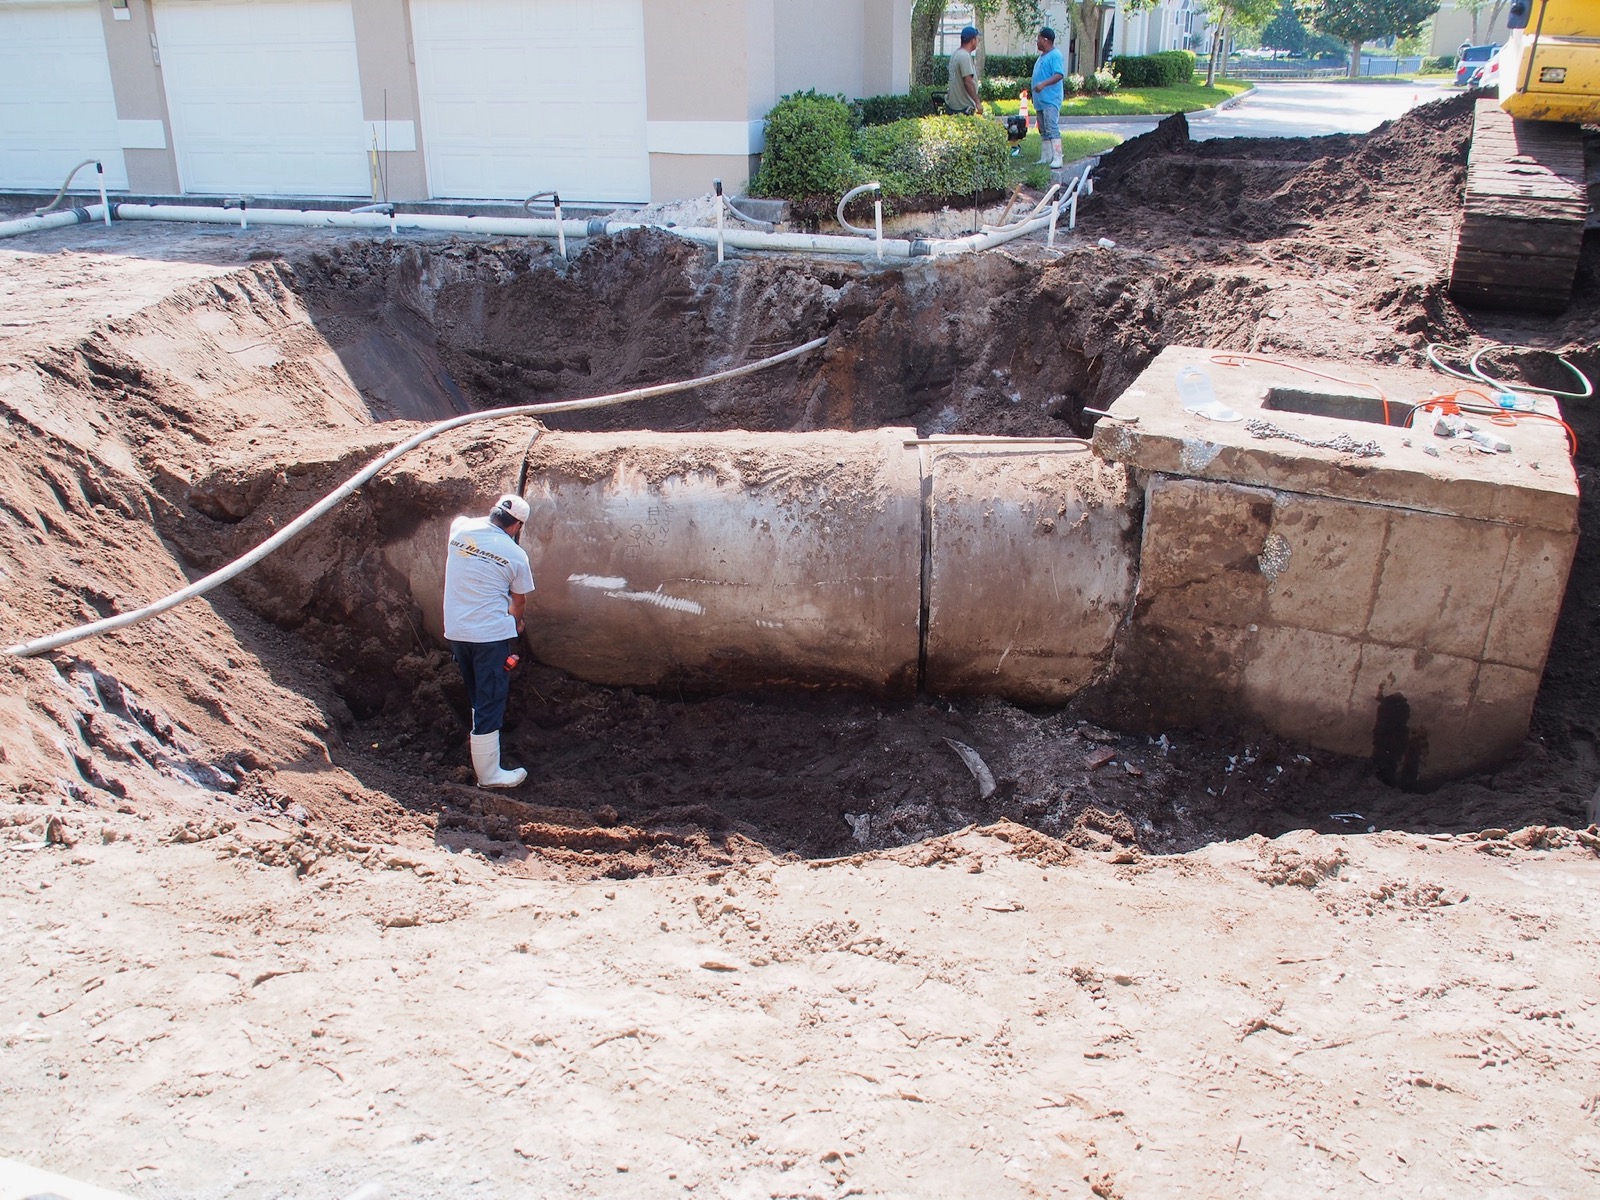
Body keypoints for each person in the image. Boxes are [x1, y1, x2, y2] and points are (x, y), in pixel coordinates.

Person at [443, 493, 535, 788]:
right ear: (516, 526)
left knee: (477, 695)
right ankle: (489, 775)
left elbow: (463, 524)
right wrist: (516, 623)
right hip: (489, 637)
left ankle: (481, 755)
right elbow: (517, 602)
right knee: (491, 697)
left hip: (457, 631)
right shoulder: (516, 555)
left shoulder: (460, 528)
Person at [1032, 27, 1066, 170]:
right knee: (1043, 129)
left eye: (1039, 38)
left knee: (1051, 127)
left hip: (1050, 100)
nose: (1037, 41)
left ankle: (1058, 157)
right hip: (1040, 101)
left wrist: (1043, 84)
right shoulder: (1042, 57)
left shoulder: (1055, 55)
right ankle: (1046, 157)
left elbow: (1059, 74)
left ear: (1046, 40)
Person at [946, 25, 982, 116]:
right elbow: (968, 82)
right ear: (973, 41)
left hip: (953, 106)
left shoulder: (956, 54)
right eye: (977, 39)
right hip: (963, 108)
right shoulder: (964, 56)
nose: (977, 42)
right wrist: (977, 102)